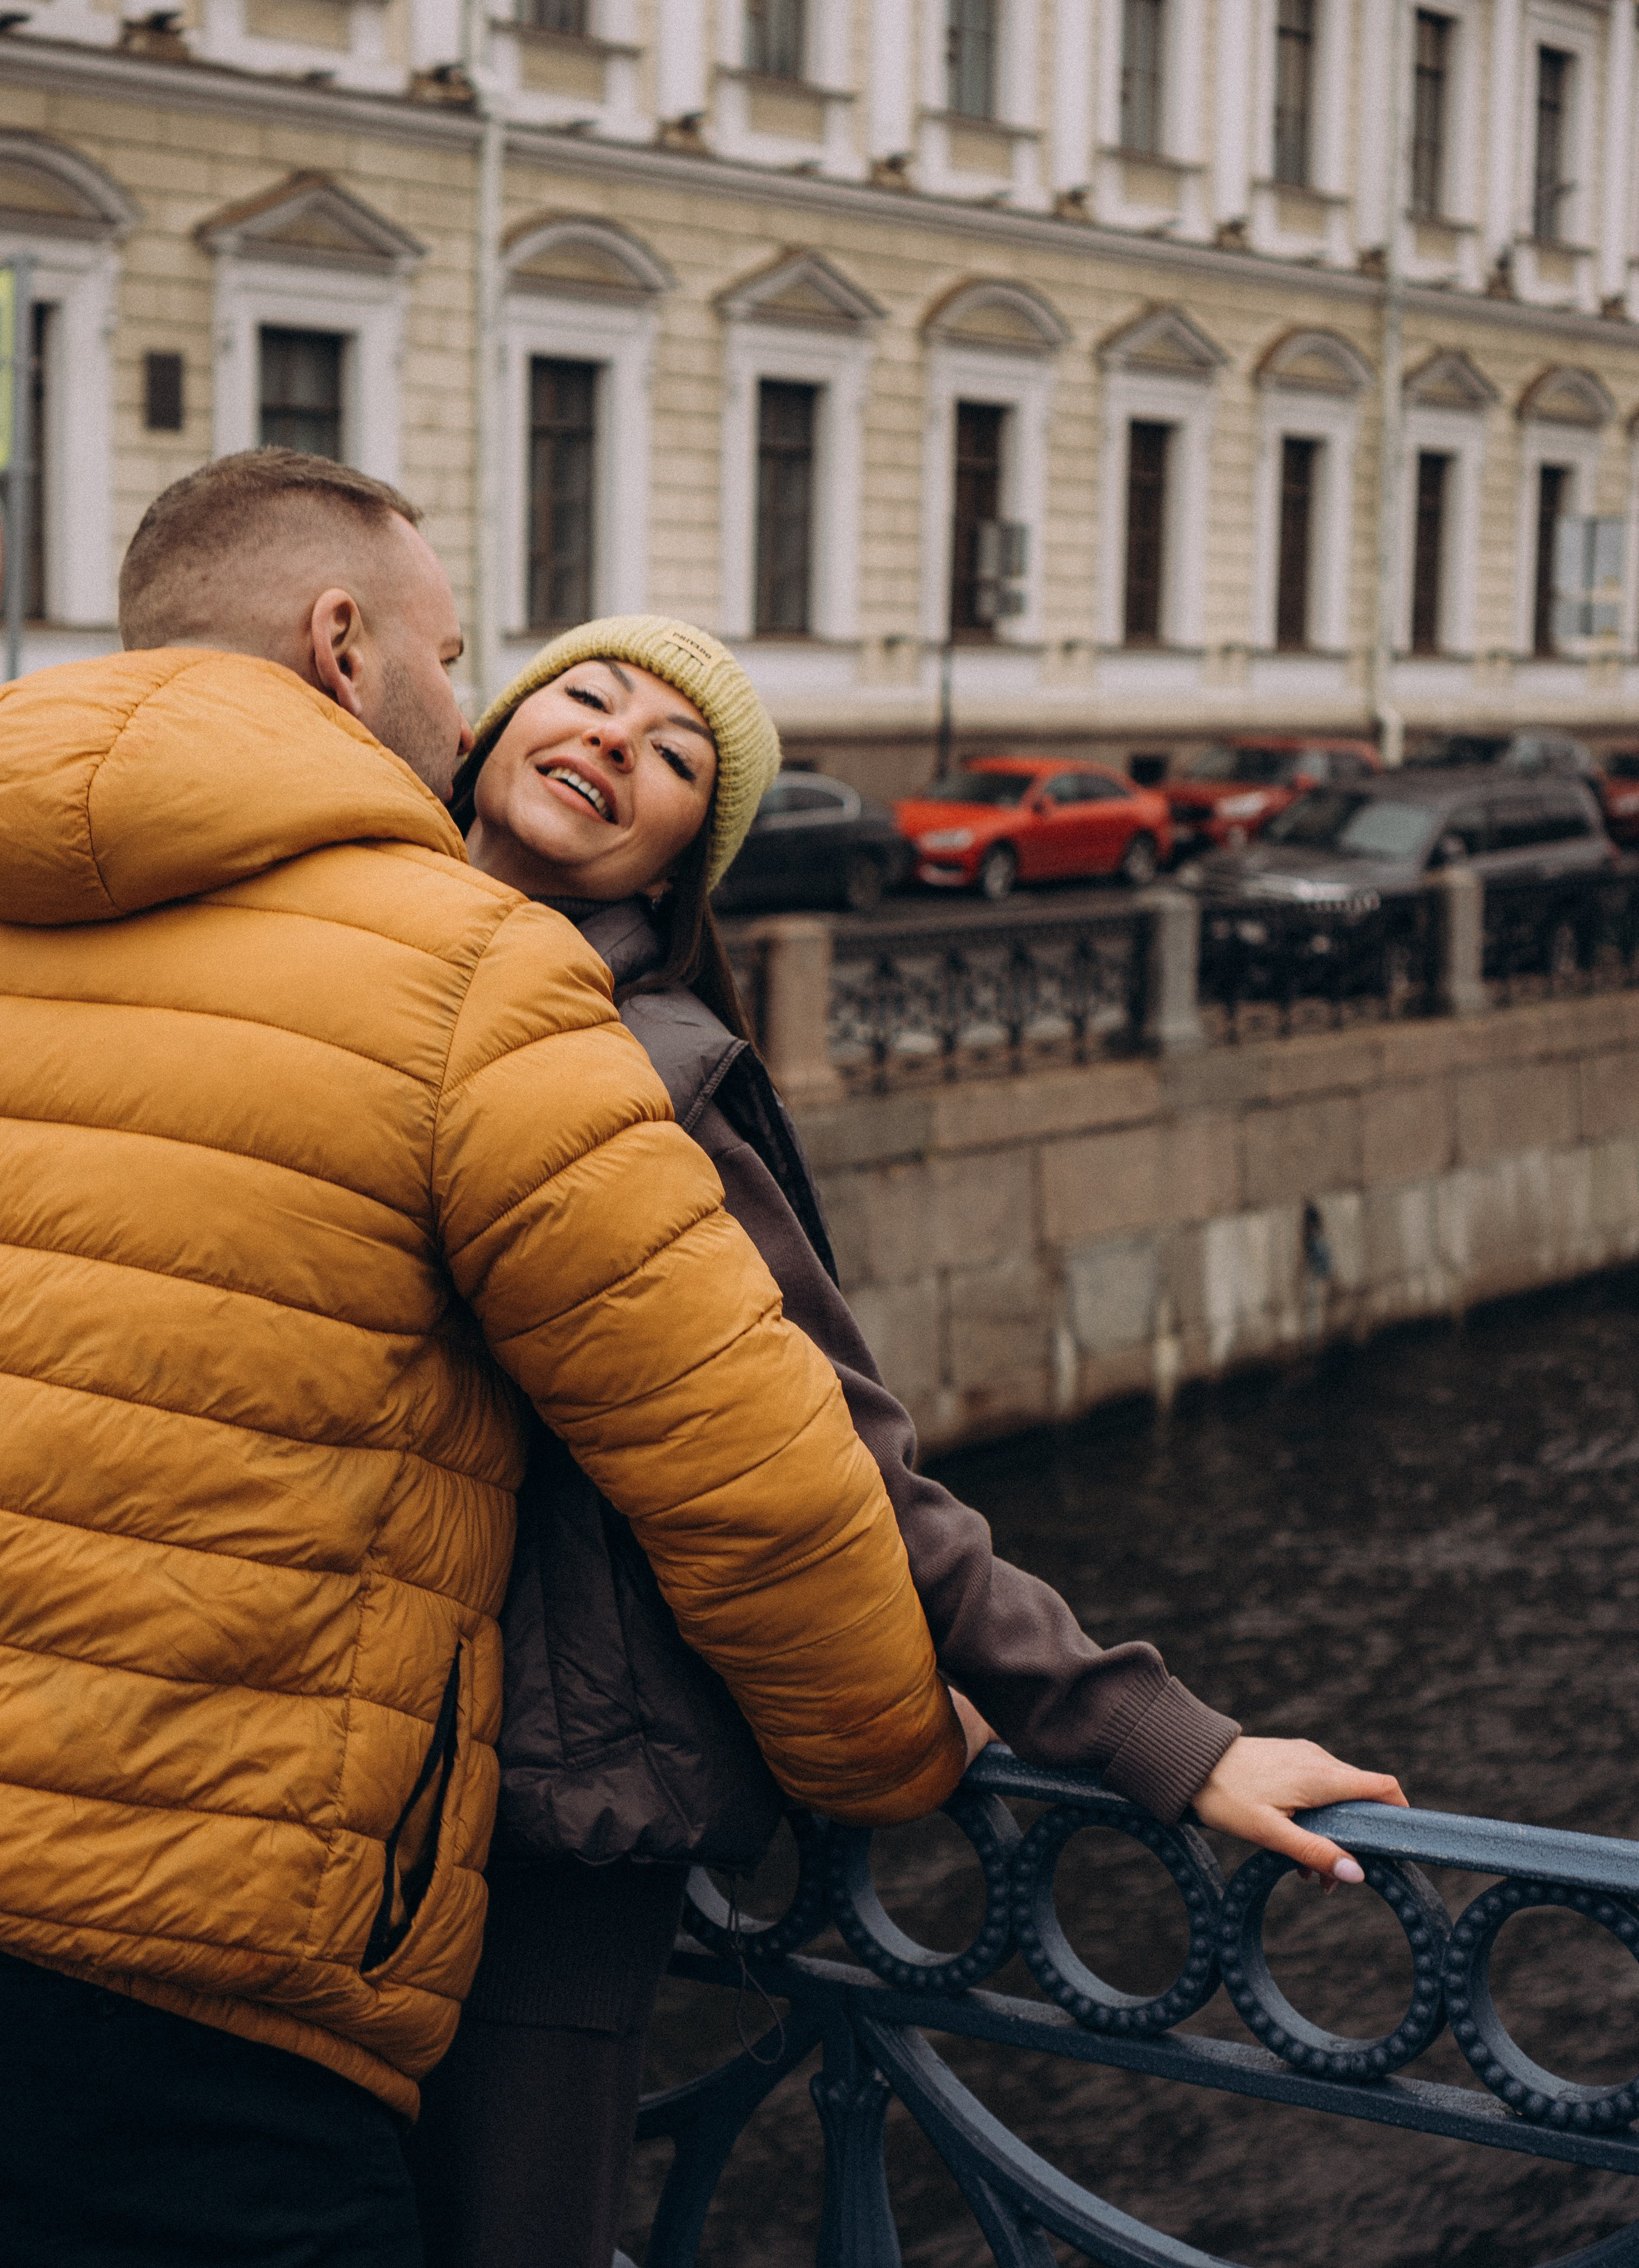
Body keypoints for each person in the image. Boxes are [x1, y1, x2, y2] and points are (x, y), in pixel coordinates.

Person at [0, 454, 987, 2268]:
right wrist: (891, 1753)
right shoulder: (475, 977)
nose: (467, 713)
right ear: (344, 644)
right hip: (218, 1966)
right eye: (466, 661)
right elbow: (749, 1464)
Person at [407, 615, 1409, 2268]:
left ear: (681, 865)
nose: (613, 740)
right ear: (498, 720)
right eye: (588, 694)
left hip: (551, 1799)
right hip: (328, 1752)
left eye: (675, 759)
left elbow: (833, 1454)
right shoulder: (355, 966)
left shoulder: (643, 1070)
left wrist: (1160, 1734)